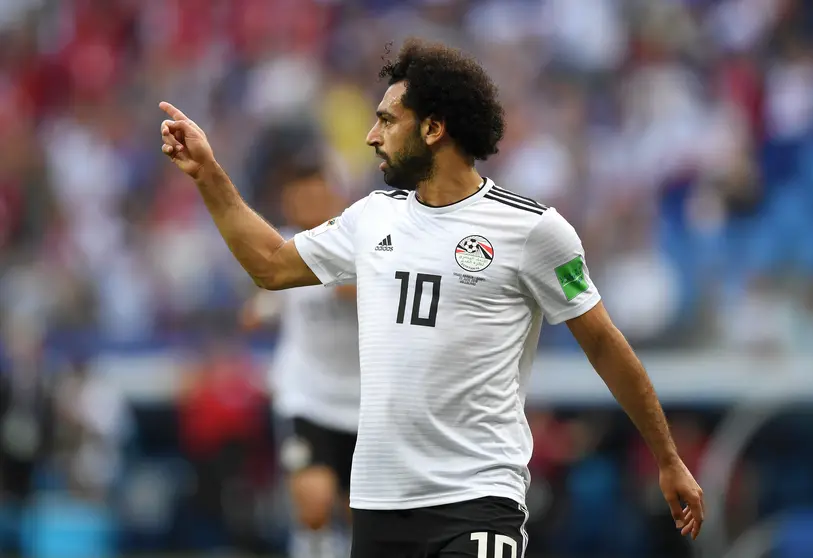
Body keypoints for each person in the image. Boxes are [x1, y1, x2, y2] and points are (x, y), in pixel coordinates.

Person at [158, 38, 705, 558]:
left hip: (477, 497)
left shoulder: (535, 231)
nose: (372, 135)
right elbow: (271, 265)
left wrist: (667, 457)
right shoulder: (372, 218)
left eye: (388, 120)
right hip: (379, 501)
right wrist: (208, 173)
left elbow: (605, 345)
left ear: (435, 128)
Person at [239, 135, 360, 558]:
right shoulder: (284, 249)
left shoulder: (361, 243)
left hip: (363, 402)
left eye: (316, 191)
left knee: (360, 513)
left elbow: (367, 295)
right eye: (298, 193)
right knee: (312, 503)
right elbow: (260, 308)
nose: (306, 202)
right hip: (306, 396)